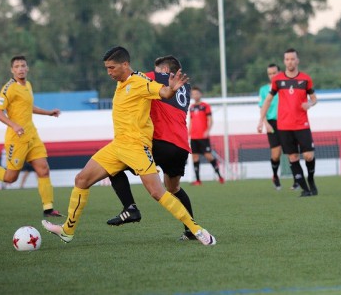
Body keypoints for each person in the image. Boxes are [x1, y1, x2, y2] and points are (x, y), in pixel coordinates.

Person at [41, 46, 216, 246]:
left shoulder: (141, 81)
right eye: (107, 68)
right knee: (81, 179)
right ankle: (67, 230)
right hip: (118, 146)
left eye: (112, 68)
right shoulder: (121, 82)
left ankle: (197, 230)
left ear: (125, 65)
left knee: (158, 192)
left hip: (136, 147)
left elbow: (163, 92)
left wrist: (171, 89)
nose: (109, 72)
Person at [105, 55, 197, 240]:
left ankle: (130, 208)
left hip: (161, 141)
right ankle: (190, 230)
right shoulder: (185, 88)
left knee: (113, 165)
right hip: (180, 147)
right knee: (174, 189)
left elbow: (131, 76)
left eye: (156, 70)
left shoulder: (157, 78)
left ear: (165, 71)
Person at [0, 55, 63, 216]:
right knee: (10, 178)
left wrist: (48, 113)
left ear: (27, 68)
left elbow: (28, 107)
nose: (21, 68)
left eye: (23, 65)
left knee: (43, 170)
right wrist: (14, 125)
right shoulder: (9, 88)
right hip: (17, 139)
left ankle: (48, 208)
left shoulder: (28, 85)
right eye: (17, 66)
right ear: (12, 70)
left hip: (32, 135)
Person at [257, 48, 318, 197]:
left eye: (292, 59)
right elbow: (268, 100)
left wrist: (309, 104)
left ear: (297, 60)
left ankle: (310, 180)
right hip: (284, 126)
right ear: (284, 61)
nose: (290, 61)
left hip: (302, 124)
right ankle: (305, 189)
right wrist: (261, 120)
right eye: (287, 59)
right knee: (293, 157)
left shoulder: (305, 79)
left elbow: (314, 98)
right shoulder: (278, 81)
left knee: (309, 156)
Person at [258, 63, 299, 191]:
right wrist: (265, 123)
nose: (272, 76)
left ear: (280, 73)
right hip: (272, 123)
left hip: (287, 121)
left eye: (274, 73)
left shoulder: (286, 87)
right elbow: (262, 108)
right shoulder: (264, 90)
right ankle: (275, 176)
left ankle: (297, 180)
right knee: (276, 154)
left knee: (290, 153)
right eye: (269, 74)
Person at [189, 87, 224, 185]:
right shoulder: (191, 107)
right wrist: (188, 132)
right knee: (195, 157)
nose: (195, 95)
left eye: (197, 93)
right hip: (194, 137)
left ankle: (220, 176)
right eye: (193, 94)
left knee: (208, 156)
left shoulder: (205, 106)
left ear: (200, 94)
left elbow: (210, 120)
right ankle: (198, 180)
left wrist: (207, 131)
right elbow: (191, 121)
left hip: (203, 137)